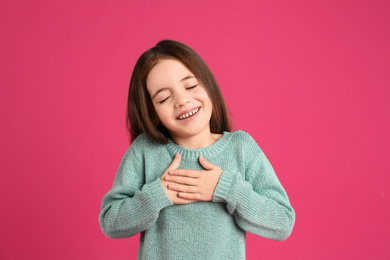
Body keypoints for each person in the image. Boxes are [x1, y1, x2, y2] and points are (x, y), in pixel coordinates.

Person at [99, 39, 295, 260]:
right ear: (151, 112)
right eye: (164, 98)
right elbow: (110, 221)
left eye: (190, 86)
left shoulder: (241, 148)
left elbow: (282, 222)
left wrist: (227, 189)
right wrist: (156, 195)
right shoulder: (146, 150)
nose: (182, 100)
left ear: (208, 85)